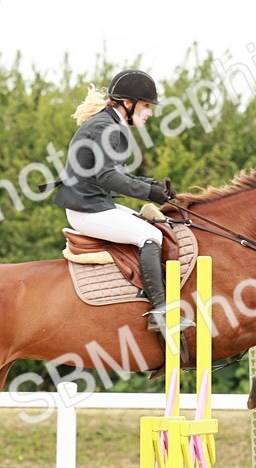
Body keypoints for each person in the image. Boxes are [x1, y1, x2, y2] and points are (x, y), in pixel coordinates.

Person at [54, 69, 177, 335]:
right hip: (87, 210)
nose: (150, 112)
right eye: (146, 105)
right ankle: (160, 312)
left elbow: (116, 173)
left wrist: (152, 186)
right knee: (150, 235)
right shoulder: (107, 128)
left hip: (92, 204)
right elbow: (108, 175)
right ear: (128, 103)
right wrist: (148, 193)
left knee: (146, 223)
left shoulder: (107, 124)